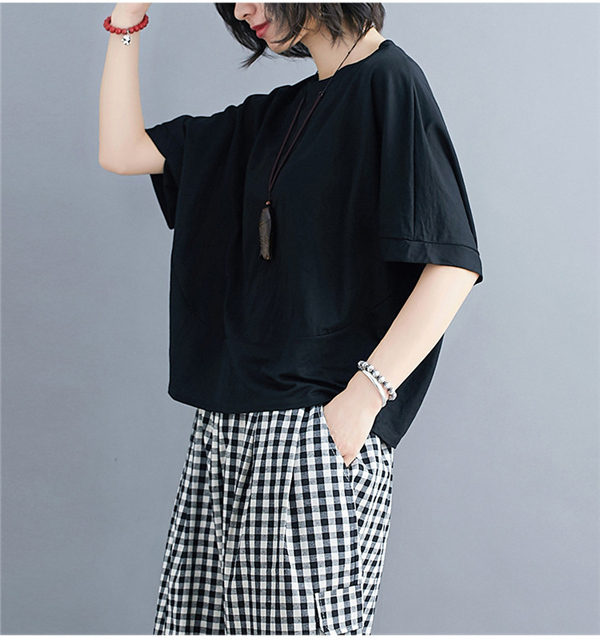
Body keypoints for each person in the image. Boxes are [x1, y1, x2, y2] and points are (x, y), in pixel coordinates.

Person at [99, 2, 484, 635]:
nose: (241, 10)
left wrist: (362, 399)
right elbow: (121, 150)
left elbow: (451, 263)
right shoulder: (275, 114)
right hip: (224, 435)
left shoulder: (391, 82)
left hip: (310, 431)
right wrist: (128, 14)